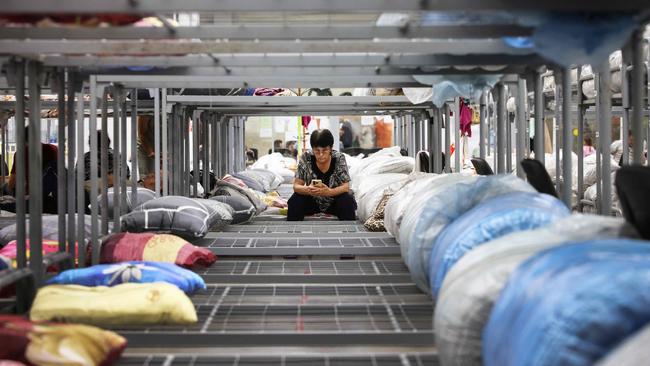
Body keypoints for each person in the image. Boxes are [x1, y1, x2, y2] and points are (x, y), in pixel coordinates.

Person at [288, 129, 357, 221]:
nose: (321, 155)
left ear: (331, 148)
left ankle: (349, 232)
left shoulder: (339, 158)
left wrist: (329, 192)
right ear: (312, 149)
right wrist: (308, 190)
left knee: (346, 200)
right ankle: (294, 232)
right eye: (317, 151)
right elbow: (296, 186)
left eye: (325, 150)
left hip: (334, 201)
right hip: (312, 200)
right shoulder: (306, 158)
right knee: (295, 201)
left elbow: (345, 187)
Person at [7, 125, 59, 212]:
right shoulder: (53, 149)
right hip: (53, 196)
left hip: (31, 197)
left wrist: (8, 191)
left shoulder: (21, 153)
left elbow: (12, 181)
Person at [137, 115, 155, 179]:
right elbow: (142, 134)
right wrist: (150, 152)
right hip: (146, 150)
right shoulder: (147, 112)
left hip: (165, 151)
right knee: (147, 178)